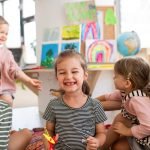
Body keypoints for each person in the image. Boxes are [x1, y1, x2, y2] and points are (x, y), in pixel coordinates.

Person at [42, 49, 107, 150]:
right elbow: (48, 131)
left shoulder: (95, 105)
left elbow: (101, 133)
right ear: (57, 77)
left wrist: (97, 141)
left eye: (74, 71)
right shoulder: (53, 105)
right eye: (62, 72)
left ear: (85, 75)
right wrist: (48, 145)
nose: (68, 76)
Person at [0, 15, 41, 149]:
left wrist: (28, 79)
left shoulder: (6, 53)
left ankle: (5, 131)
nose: (4, 35)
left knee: (6, 102)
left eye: (6, 33)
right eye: (1, 32)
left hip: (4, 89)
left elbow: (16, 70)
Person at [97, 57, 150, 150]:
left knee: (120, 119)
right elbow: (109, 96)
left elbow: (148, 126)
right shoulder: (127, 91)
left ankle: (101, 148)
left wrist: (128, 131)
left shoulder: (137, 100)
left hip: (145, 137)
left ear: (127, 83)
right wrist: (90, 101)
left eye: (115, 76)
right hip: (139, 131)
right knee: (117, 146)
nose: (113, 78)